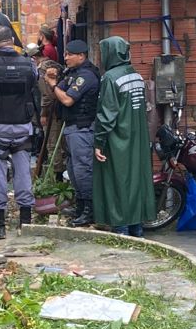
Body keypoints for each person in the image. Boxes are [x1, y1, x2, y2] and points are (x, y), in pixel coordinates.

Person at [0, 24, 41, 239]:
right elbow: (34, 85)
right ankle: (25, 223)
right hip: (22, 126)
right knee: (23, 172)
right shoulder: (29, 64)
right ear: (12, 41)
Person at [92, 35, 152, 237]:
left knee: (117, 182)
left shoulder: (110, 78)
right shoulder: (135, 75)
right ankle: (137, 228)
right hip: (137, 139)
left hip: (118, 140)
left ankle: (121, 229)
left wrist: (99, 142)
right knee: (135, 181)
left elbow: (107, 114)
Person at [54, 39, 100, 227]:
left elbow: (67, 100)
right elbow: (63, 88)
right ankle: (80, 207)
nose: (65, 58)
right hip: (72, 128)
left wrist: (52, 84)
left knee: (83, 171)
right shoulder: (73, 73)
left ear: (81, 56)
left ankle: (89, 210)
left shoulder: (87, 75)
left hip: (82, 128)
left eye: (69, 54)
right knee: (73, 170)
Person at [37, 59, 66, 183]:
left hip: (52, 112)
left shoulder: (43, 71)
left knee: (53, 144)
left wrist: (43, 113)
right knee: (60, 144)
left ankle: (57, 177)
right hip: (61, 110)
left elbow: (47, 95)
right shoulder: (57, 67)